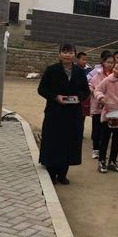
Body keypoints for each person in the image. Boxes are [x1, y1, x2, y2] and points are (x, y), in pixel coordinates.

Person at [38, 44, 90, 185]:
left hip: (73, 114)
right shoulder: (51, 70)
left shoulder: (79, 72)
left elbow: (86, 91)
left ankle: (63, 174)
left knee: (69, 142)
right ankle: (51, 173)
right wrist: (56, 97)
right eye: (64, 52)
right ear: (59, 54)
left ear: (74, 55)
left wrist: (78, 97)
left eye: (70, 52)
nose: (67, 55)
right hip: (55, 113)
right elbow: (42, 89)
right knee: (54, 142)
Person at [94, 61, 118, 173]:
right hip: (109, 114)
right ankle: (101, 161)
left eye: (117, 69)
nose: (114, 70)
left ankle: (112, 161)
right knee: (105, 139)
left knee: (117, 140)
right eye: (114, 68)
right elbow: (97, 90)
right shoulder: (108, 80)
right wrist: (101, 98)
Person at [89, 53, 115, 159]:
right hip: (98, 105)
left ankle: (103, 151)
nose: (110, 64)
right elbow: (90, 85)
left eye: (112, 63)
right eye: (108, 62)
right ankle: (95, 150)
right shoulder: (98, 73)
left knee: (106, 130)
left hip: (109, 107)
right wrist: (94, 91)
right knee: (97, 128)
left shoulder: (115, 75)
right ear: (103, 62)